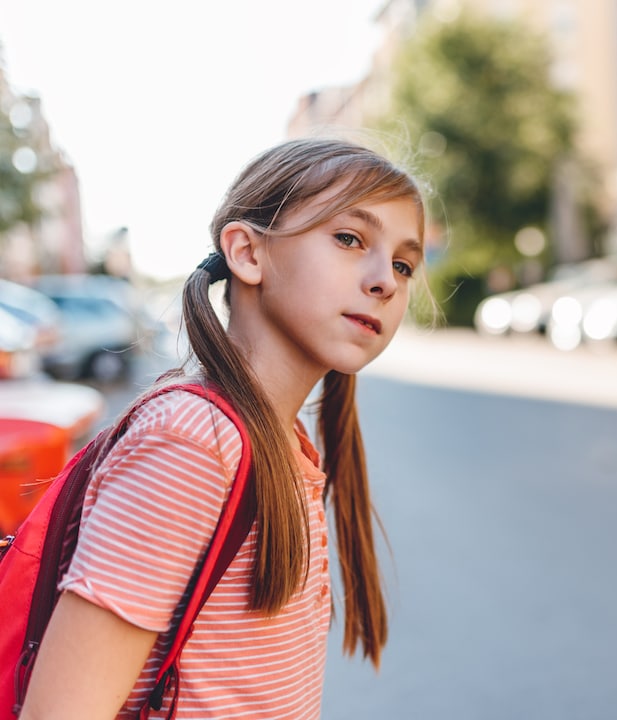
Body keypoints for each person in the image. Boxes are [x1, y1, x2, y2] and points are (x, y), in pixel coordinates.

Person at [20, 137, 428, 719]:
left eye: (403, 264)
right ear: (247, 252)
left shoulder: (286, 449)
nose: (385, 280)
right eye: (348, 238)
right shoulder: (193, 442)